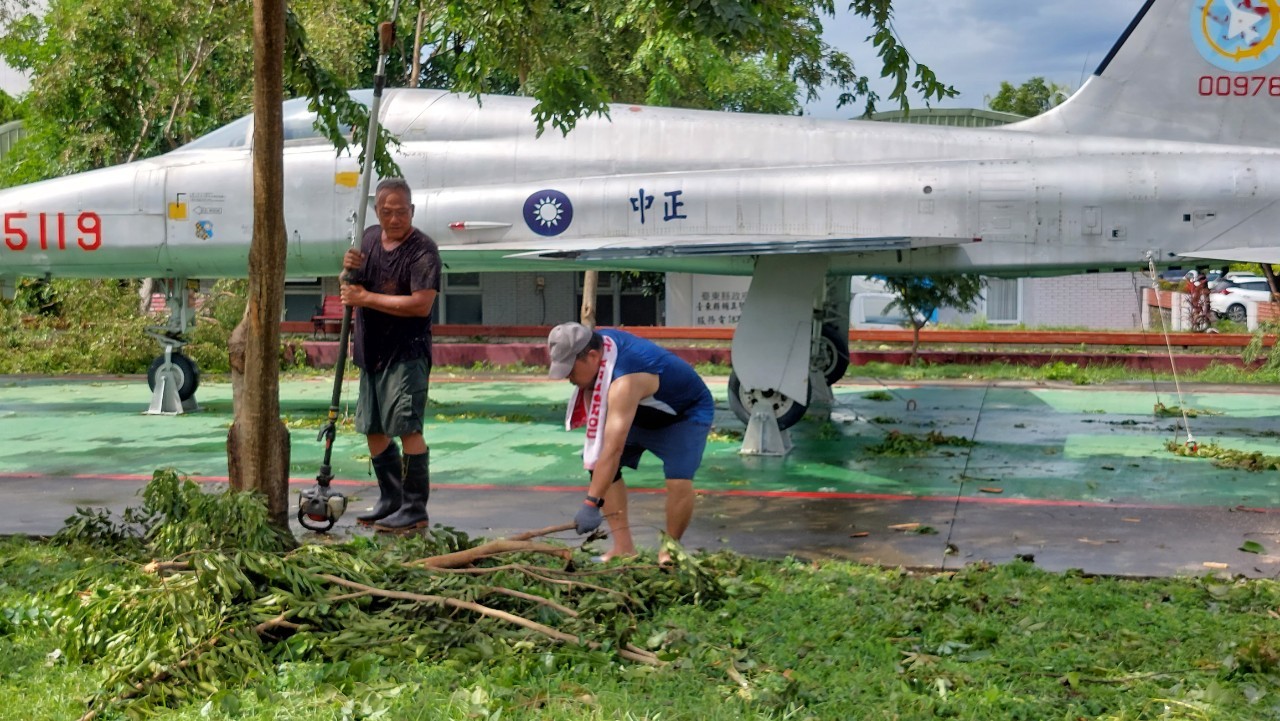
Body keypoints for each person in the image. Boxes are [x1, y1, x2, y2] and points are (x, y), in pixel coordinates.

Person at [547, 322, 715, 563]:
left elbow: (613, 449)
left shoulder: (625, 378)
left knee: (679, 479)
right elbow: (602, 455)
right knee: (599, 466)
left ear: (592, 357)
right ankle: (623, 548)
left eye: (570, 370)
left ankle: (670, 550)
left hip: (684, 413)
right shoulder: (596, 345)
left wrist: (591, 503)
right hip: (640, 412)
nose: (568, 378)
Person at [341, 177, 442, 532]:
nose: (394, 218)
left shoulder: (422, 251)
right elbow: (352, 285)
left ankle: (415, 508)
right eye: (387, 212)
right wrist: (349, 268)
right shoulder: (368, 238)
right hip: (371, 350)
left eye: (401, 212)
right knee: (373, 427)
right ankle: (391, 498)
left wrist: (365, 299)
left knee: (406, 427)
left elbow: (420, 304)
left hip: (406, 354)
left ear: (412, 211)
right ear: (377, 212)